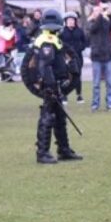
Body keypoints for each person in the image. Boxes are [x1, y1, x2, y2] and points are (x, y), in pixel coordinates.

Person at [25, 9, 82, 164]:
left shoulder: (49, 38)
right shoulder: (47, 41)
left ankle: (63, 150)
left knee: (60, 117)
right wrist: (51, 87)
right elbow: (45, 66)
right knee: (47, 117)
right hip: (49, 85)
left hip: (54, 83)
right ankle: (42, 152)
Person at [87, 3, 111, 112]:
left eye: (99, 11)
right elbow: (94, 28)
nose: (99, 12)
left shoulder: (106, 21)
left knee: (110, 83)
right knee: (96, 84)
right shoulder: (91, 23)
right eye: (96, 11)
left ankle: (110, 104)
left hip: (108, 56)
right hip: (96, 57)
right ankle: (95, 105)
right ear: (93, 13)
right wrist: (101, 14)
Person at [59, 12, 88, 104]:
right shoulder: (62, 31)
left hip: (78, 57)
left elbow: (85, 42)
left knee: (77, 76)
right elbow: (59, 43)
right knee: (65, 76)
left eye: (73, 20)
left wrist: (80, 48)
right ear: (66, 21)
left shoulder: (79, 31)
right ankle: (64, 95)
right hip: (66, 57)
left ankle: (79, 95)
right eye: (69, 20)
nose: (71, 22)